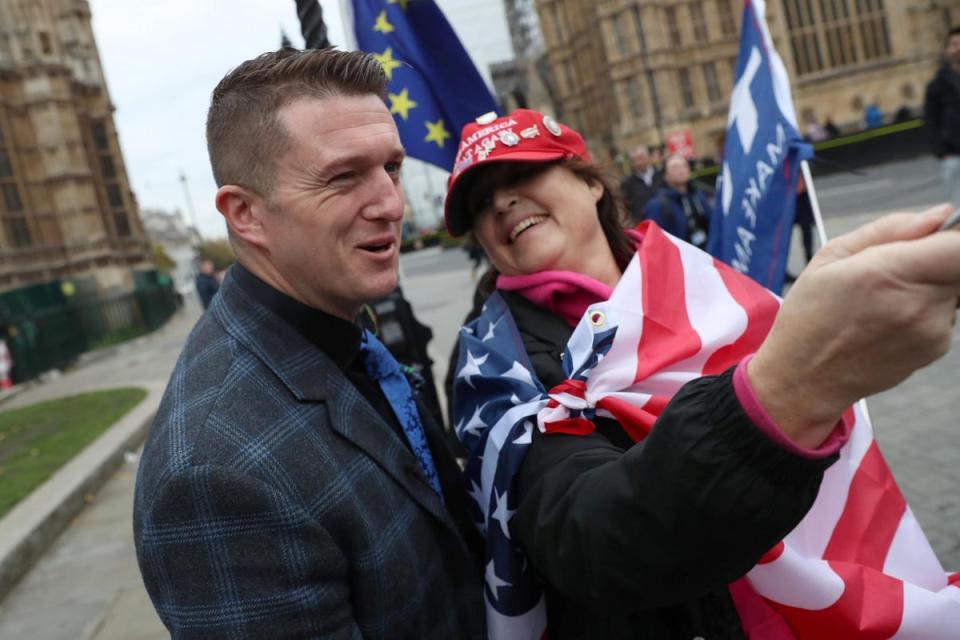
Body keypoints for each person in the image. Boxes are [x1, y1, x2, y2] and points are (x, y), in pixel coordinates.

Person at [443, 108, 960, 638]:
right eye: (480, 202)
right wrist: (791, 390)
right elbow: (588, 539)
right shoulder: (492, 362)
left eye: (522, 174)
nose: (501, 202)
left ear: (589, 181)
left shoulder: (694, 271)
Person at [133, 48, 484, 639]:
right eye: (343, 176)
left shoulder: (337, 327)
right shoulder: (214, 476)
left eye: (391, 169)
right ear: (245, 213)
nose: (391, 204)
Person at [642, 153, 712, 249]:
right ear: (666, 175)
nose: (681, 170)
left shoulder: (699, 195)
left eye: (684, 166)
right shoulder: (657, 205)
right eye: (675, 167)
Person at [924, 26, 960, 211]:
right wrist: (941, 152)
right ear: (946, 50)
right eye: (954, 44)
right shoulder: (937, 85)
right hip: (954, 155)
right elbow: (930, 121)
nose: (958, 48)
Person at [619, 145, 662, 225]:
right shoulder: (627, 183)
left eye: (641, 158)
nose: (639, 162)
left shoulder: (661, 175)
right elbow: (627, 206)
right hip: (646, 225)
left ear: (649, 157)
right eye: (635, 159)